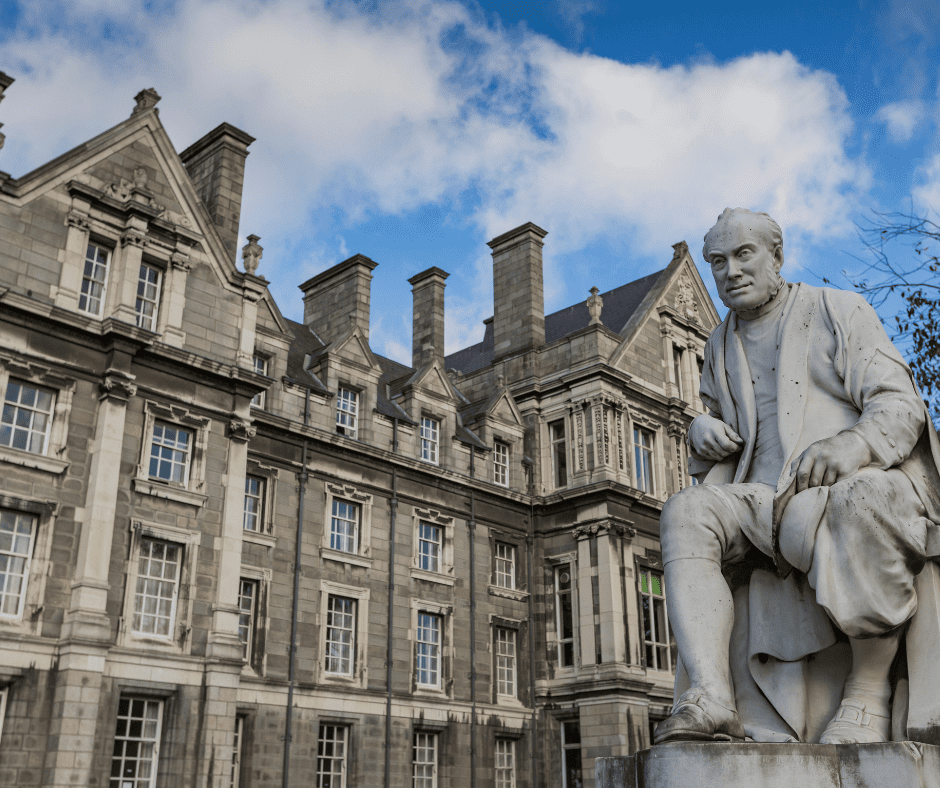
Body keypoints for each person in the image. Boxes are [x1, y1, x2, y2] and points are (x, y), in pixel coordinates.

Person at [653, 208, 940, 745]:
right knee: (685, 512)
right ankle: (712, 697)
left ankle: (868, 694)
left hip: (842, 486)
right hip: (760, 498)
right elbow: (720, 425)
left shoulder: (838, 309)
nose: (730, 271)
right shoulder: (716, 345)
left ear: (776, 257)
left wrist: (854, 444)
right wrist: (701, 429)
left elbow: (901, 404)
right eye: (718, 261)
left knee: (861, 503)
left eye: (744, 255)